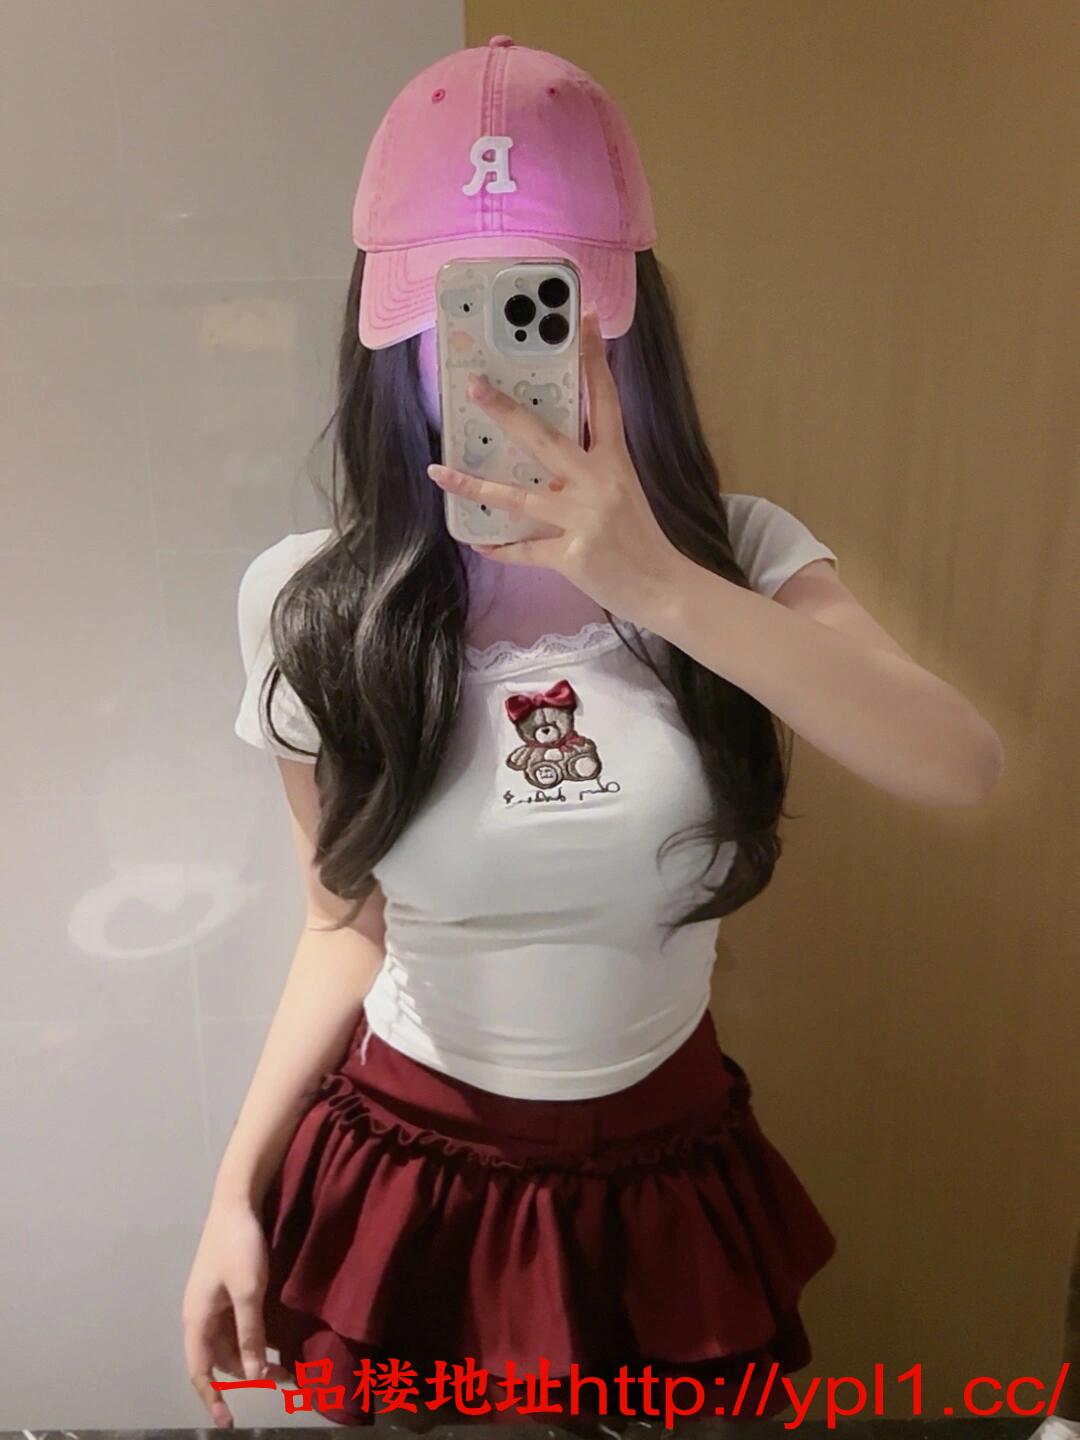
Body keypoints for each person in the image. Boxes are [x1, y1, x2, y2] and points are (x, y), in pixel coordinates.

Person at [181, 34, 1005, 1433]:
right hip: (410, 1178)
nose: (494, 375)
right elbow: (342, 923)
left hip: (664, 1176)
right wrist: (231, 1192)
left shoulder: (740, 559)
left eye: (543, 316)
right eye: (454, 322)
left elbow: (960, 764)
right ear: (387, 332)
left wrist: (658, 584)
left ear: (625, 322)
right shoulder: (310, 600)